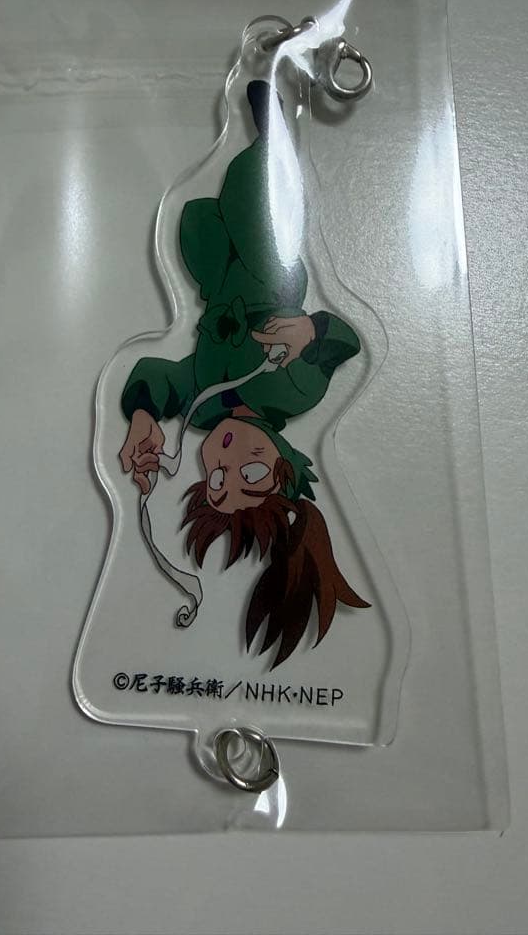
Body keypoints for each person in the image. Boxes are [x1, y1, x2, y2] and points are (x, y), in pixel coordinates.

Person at [119, 81, 369, 667]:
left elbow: (162, 374)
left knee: (195, 222)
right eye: (252, 474)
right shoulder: (296, 393)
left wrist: (142, 416)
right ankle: (272, 132)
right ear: (285, 464)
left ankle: (261, 161)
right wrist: (309, 332)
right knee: (245, 195)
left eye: (217, 481)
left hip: (216, 285)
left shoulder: (204, 410)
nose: (229, 462)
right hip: (269, 277)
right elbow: (346, 341)